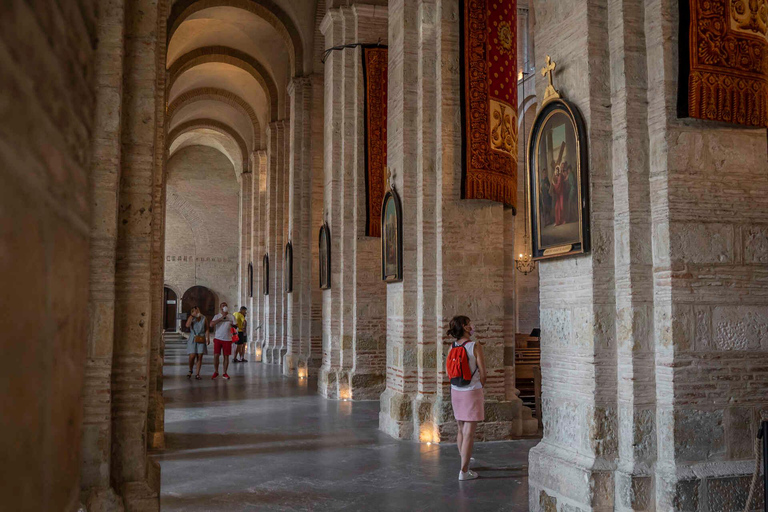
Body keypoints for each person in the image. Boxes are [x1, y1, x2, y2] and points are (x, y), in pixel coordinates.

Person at [446, 315, 486, 481]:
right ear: (464, 326)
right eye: (469, 324)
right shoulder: (474, 345)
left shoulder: (452, 346)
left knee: (460, 428)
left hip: (456, 390)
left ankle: (464, 457)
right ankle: (464, 471)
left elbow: (448, 371)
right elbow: (483, 371)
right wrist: (480, 385)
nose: (472, 326)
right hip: (471, 391)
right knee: (469, 432)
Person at [210, 302, 236, 380]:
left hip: (227, 339)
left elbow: (236, 326)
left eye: (225, 305)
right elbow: (211, 324)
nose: (224, 307)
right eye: (223, 306)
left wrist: (233, 326)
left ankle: (225, 373)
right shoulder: (217, 316)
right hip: (218, 338)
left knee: (226, 356)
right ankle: (216, 371)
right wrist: (221, 318)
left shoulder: (231, 316)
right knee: (216, 355)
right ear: (220, 308)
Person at [185, 306, 209, 379]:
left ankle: (197, 373)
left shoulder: (204, 318)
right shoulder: (191, 318)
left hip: (201, 337)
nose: (197, 312)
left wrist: (207, 338)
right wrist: (192, 316)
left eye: (197, 310)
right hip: (193, 337)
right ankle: (190, 370)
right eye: (195, 311)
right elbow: (187, 325)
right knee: (192, 355)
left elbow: (207, 328)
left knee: (199, 355)